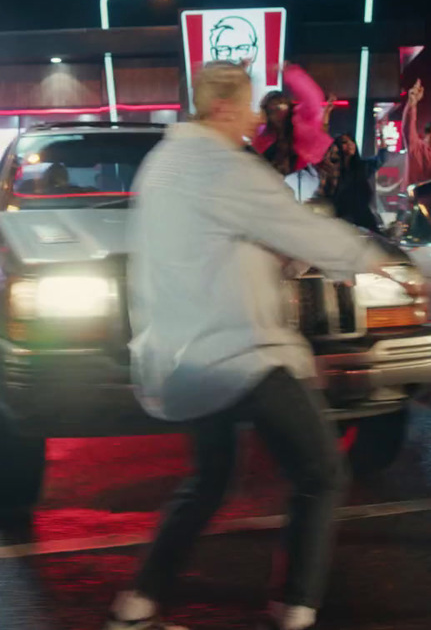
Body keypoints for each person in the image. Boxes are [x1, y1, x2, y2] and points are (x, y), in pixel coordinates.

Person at [107, 61, 413, 630]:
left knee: (209, 480)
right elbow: (297, 227)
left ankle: (139, 601)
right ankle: (295, 608)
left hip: (183, 350)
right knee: (322, 473)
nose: (256, 118)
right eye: (248, 106)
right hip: (240, 349)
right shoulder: (221, 165)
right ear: (223, 108)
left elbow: (230, 239)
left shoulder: (164, 163)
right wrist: (383, 263)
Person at [253, 64, 335, 177]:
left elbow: (312, 99)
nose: (277, 112)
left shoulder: (300, 125)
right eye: (272, 109)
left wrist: (290, 74)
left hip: (305, 180)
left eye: (281, 106)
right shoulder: (261, 137)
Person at [316, 134, 381, 232]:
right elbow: (324, 192)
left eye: (352, 141)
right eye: (344, 142)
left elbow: (380, 160)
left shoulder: (361, 167)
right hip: (339, 219)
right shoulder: (333, 170)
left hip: (363, 218)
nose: (350, 144)